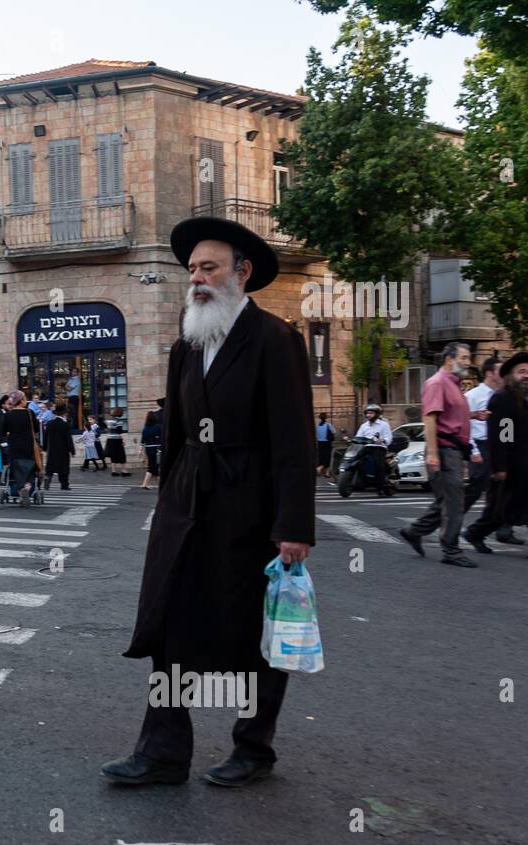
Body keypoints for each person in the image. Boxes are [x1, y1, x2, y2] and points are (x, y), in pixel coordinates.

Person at [103, 214, 313, 789]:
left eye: (209, 267)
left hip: (250, 510)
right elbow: (174, 429)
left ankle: (254, 747)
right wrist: (165, 498)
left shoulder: (276, 340)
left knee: (255, 633)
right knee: (170, 624)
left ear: (241, 273)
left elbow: (294, 439)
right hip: (188, 503)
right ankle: (164, 753)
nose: (196, 278)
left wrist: (293, 525)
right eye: (192, 268)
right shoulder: (186, 343)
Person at [464, 353, 528, 561]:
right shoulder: (504, 399)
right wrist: (501, 467)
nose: (527, 376)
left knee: (527, 506)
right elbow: (503, 435)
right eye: (522, 371)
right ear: (511, 375)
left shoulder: (523, 400)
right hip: (517, 467)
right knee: (505, 508)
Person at [399, 343, 476, 567]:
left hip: (452, 451)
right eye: (463, 357)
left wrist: (473, 415)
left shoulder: (454, 384)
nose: (467, 362)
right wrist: (433, 455)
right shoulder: (437, 382)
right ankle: (451, 550)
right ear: (448, 359)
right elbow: (430, 419)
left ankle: (413, 531)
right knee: (453, 502)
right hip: (443, 450)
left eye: (468, 358)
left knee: (445, 500)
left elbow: (449, 416)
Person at [462, 357, 517, 544]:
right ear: (489, 373)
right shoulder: (473, 396)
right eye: (500, 371)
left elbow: (507, 423)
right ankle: (450, 517)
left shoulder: (506, 395)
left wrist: (510, 445)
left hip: (501, 445)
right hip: (481, 445)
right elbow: (463, 425)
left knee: (505, 488)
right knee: (477, 487)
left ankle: (504, 530)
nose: (504, 375)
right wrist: (472, 450)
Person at [0, 390, 42, 507]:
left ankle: (21, 488)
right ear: (21, 400)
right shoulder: (30, 413)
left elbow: (3, 432)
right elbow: (37, 430)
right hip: (28, 445)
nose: (26, 401)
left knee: (16, 470)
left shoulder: (8, 415)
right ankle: (27, 489)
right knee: (30, 469)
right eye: (24, 399)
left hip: (14, 446)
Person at [353, 403, 392, 484]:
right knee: (354, 459)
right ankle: (361, 479)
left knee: (378, 465)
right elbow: (359, 436)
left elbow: (389, 437)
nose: (368, 415)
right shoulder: (364, 426)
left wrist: (383, 440)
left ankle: (380, 487)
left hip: (379, 447)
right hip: (366, 447)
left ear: (377, 414)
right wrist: (354, 440)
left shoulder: (383, 425)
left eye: (371, 413)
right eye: (367, 413)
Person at [41, 403, 76, 490]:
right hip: (63, 450)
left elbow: (45, 437)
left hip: (52, 449)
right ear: (64, 413)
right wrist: (72, 450)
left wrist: (44, 447)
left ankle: (47, 478)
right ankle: (64, 484)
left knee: (50, 466)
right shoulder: (65, 425)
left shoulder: (50, 423)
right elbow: (69, 439)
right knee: (63, 468)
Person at [103, 407, 130, 478]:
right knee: (122, 455)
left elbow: (107, 429)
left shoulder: (108, 420)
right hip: (117, 440)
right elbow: (120, 431)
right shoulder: (118, 421)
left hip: (110, 439)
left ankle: (113, 471)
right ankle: (124, 471)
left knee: (113, 455)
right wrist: (123, 440)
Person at [139, 411, 162, 490]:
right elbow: (161, 438)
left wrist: (140, 451)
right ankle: (144, 484)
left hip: (148, 448)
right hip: (156, 448)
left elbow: (142, 441)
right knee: (153, 466)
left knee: (154, 466)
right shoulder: (158, 427)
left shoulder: (145, 428)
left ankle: (160, 485)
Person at [315, 412, 335, 478]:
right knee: (327, 457)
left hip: (320, 442)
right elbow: (334, 431)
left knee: (321, 456)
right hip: (327, 443)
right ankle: (321, 470)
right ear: (326, 417)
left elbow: (317, 434)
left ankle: (324, 471)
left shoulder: (318, 425)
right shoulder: (328, 424)